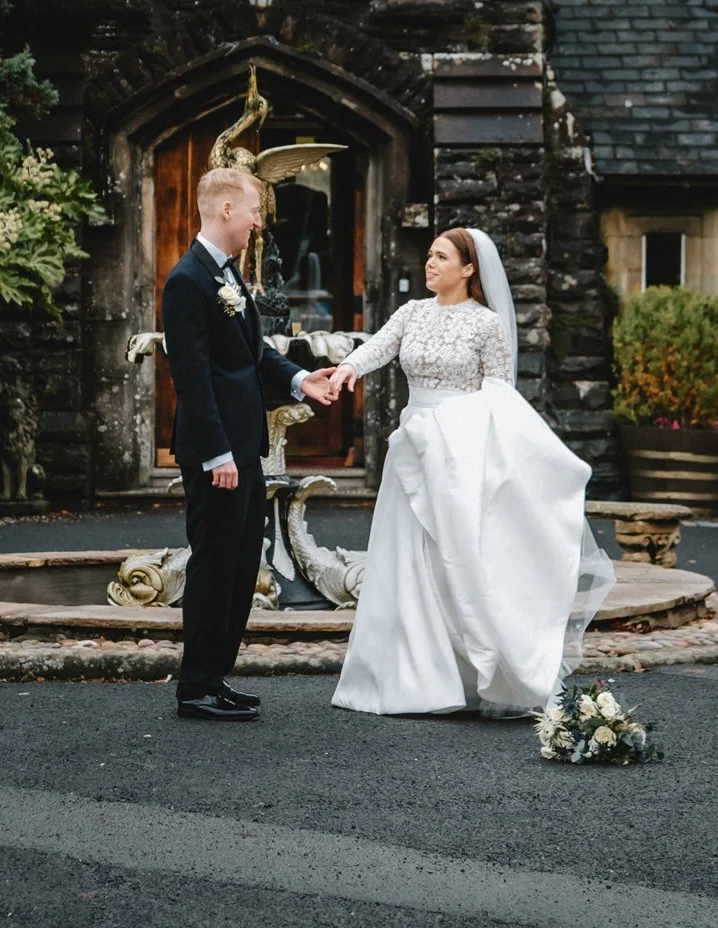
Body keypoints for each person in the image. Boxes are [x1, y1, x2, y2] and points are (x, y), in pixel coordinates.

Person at [326, 226, 614, 718]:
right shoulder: (411, 312)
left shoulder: (486, 325)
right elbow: (378, 346)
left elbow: (500, 395)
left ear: (468, 268)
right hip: (413, 446)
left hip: (459, 451)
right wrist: (348, 367)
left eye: (441, 257)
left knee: (452, 557)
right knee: (405, 558)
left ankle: (469, 672)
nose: (430, 264)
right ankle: (408, 677)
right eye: (429, 256)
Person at [162, 166, 335, 723]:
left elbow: (253, 354)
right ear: (227, 210)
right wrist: (217, 456)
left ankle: (216, 675)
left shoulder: (230, 277)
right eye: (255, 207)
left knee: (240, 566)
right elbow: (191, 377)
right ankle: (195, 687)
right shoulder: (187, 280)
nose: (260, 219)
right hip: (219, 456)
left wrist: (299, 380)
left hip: (244, 449)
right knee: (214, 565)